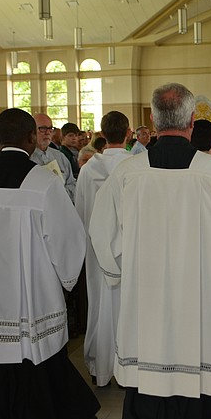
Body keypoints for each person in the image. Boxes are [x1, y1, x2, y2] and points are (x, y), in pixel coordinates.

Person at [89, 83, 211, 419]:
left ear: (152, 120)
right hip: (200, 313)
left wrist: (116, 273)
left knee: (145, 398)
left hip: (144, 312)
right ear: (192, 121)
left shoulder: (127, 174)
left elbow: (101, 233)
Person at [0, 108, 99, 419]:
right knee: (37, 373)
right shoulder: (43, 182)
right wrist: (66, 280)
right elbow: (68, 240)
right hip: (34, 301)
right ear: (32, 138)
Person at [75, 111, 132, 388]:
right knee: (128, 307)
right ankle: (129, 366)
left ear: (101, 133)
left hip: (97, 251)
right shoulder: (138, 166)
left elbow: (81, 212)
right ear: (129, 133)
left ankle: (100, 367)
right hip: (130, 252)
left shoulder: (88, 170)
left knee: (99, 306)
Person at [30, 113, 76, 203]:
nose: (48, 132)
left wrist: (62, 194)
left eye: (50, 128)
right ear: (32, 131)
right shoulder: (28, 157)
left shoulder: (60, 157)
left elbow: (72, 183)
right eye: (43, 129)